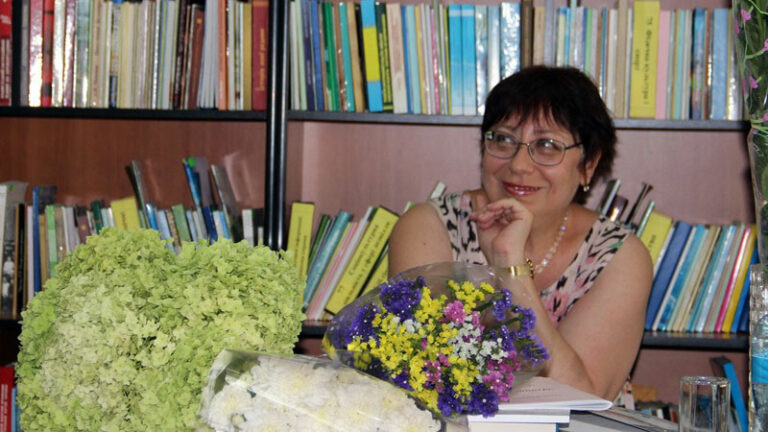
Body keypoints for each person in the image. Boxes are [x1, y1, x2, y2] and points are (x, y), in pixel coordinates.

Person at [388, 66, 653, 401]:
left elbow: (581, 399)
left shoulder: (616, 254)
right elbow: (425, 376)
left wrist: (511, 269)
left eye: (547, 145)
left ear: (588, 165)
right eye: (503, 139)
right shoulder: (428, 228)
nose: (518, 165)